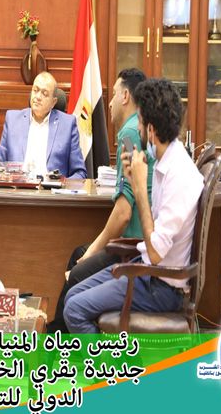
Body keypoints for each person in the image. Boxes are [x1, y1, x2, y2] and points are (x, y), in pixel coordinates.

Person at [63, 78, 204, 333]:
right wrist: (133, 180)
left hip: (161, 287)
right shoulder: (164, 161)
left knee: (74, 309)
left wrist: (139, 188)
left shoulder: (180, 174)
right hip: (147, 270)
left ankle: (109, 359)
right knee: (72, 293)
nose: (136, 128)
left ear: (150, 130)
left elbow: (157, 252)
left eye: (139, 121)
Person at [49, 68, 152, 332]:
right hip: (137, 244)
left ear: (126, 96)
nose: (110, 102)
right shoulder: (140, 129)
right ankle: (57, 333)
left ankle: (60, 340)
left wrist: (93, 251)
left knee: (78, 272)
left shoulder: (129, 133)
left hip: (134, 249)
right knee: (78, 254)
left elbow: (124, 213)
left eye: (114, 94)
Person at [0, 71, 87, 179]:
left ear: (53, 102)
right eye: (35, 90)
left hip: (51, 189)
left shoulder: (67, 125)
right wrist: (5, 178)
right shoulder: (13, 120)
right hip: (18, 187)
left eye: (44, 94)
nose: (37, 97)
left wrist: (62, 184)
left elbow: (80, 173)